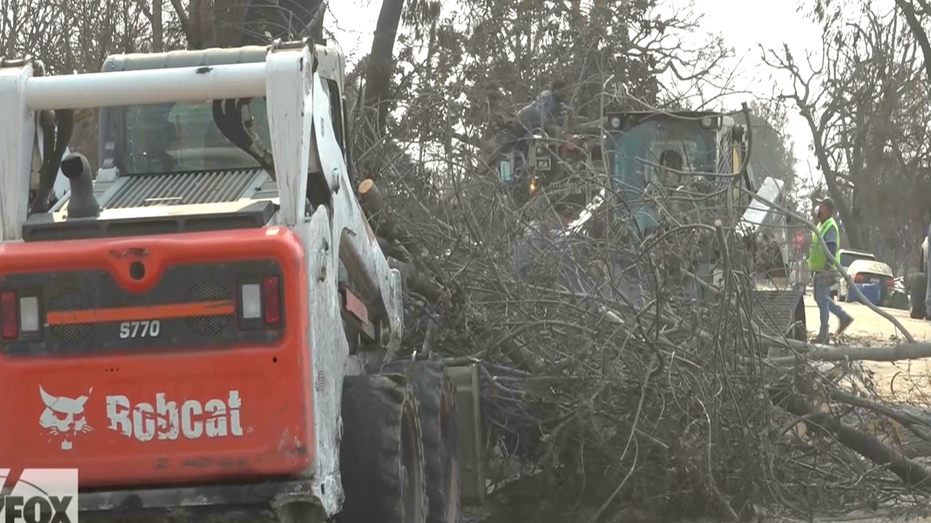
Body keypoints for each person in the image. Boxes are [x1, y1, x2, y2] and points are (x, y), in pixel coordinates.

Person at [808, 196, 854, 343]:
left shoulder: (830, 226)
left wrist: (827, 269)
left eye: (821, 206)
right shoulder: (822, 224)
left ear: (826, 209)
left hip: (826, 270)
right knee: (821, 298)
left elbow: (831, 247)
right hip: (820, 270)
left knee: (822, 300)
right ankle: (843, 317)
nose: (818, 209)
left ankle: (824, 335)